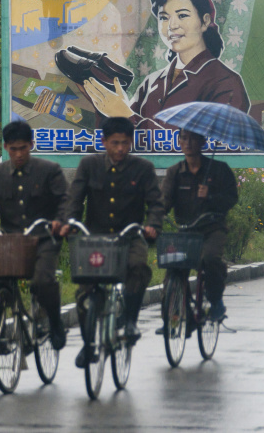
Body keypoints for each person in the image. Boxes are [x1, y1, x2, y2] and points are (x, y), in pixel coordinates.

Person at [59, 117, 164, 368]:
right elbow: (75, 199)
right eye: (114, 143)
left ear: (131, 143)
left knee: (138, 268)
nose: (120, 149)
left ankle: (129, 320)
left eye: (125, 143)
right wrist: (70, 222)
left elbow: (156, 204)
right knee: (85, 292)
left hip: (130, 236)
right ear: (103, 141)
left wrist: (152, 225)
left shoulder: (143, 168)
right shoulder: (88, 165)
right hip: (95, 238)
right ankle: (87, 345)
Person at [80, 0, 251, 130]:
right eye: (164, 17)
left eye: (182, 15)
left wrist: (124, 114)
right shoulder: (152, 82)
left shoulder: (226, 83)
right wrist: (106, 108)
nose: (172, 26)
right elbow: (122, 138)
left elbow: (210, 144)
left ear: (205, 21)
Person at [0, 121, 68, 350]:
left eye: (23, 148)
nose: (18, 154)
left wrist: (60, 221)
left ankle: (54, 323)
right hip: (11, 241)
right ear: (6, 147)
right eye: (13, 149)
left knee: (43, 281)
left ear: (31, 145)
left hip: (44, 238)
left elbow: (65, 201)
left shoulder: (49, 170)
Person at [160, 129, 238, 328]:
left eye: (193, 138)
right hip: (185, 230)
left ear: (202, 142)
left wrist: (210, 196)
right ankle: (173, 315)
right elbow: (164, 201)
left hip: (212, 229)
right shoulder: (174, 172)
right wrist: (154, 218)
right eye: (184, 138)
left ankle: (216, 301)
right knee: (173, 269)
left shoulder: (219, 170)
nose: (188, 143)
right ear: (179, 141)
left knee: (210, 259)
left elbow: (232, 199)